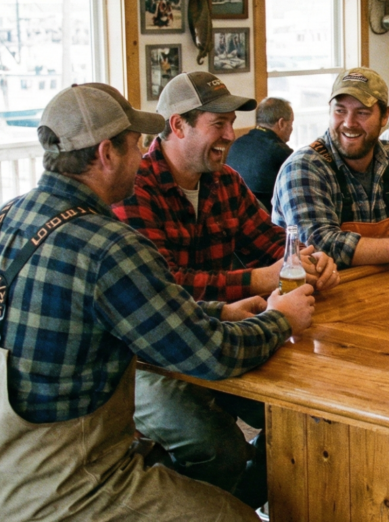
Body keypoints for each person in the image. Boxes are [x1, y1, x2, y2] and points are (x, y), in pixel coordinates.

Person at [0, 83, 316, 522]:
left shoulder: (5, 217)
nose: (144, 156)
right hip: (57, 487)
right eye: (137, 145)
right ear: (106, 154)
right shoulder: (107, 245)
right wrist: (280, 320)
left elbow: (135, 312)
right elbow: (214, 355)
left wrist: (220, 311)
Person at [113, 72, 337, 508]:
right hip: (148, 360)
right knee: (220, 450)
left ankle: (243, 503)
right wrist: (259, 279)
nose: (231, 135)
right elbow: (165, 283)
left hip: (223, 334)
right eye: (219, 124)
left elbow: (273, 243)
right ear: (178, 126)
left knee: (306, 416)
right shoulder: (134, 187)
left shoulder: (226, 181)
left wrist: (311, 258)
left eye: (231, 123)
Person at [272, 68, 389, 269]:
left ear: (384, 117)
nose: (349, 123)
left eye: (362, 112)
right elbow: (322, 246)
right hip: (315, 296)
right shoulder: (303, 168)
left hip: (383, 289)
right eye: (340, 111)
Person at [226, 96, 295, 209]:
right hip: (265, 218)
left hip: (234, 211)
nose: (292, 129)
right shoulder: (281, 152)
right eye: (291, 123)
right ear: (281, 123)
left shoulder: (237, 144)